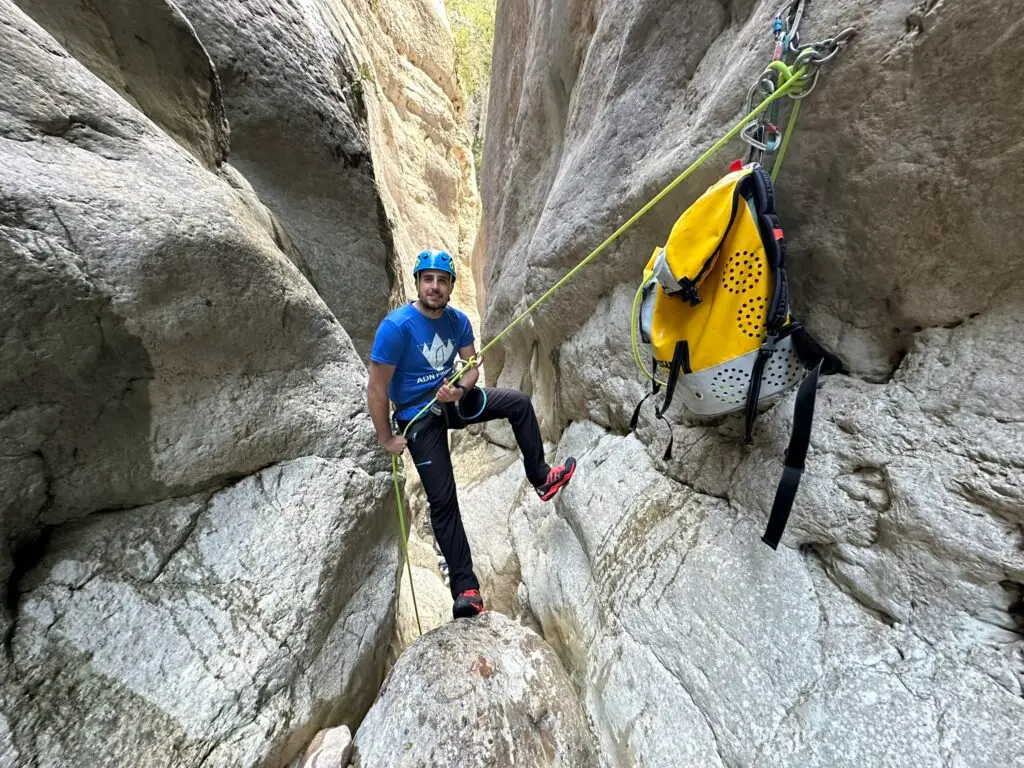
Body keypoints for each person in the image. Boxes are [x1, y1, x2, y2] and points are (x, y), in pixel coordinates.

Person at [367, 249, 577, 619]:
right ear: (418, 283)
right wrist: (387, 438)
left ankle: (542, 478)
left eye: (442, 280)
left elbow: (471, 368)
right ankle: (466, 590)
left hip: (452, 398)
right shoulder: (396, 328)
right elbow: (377, 387)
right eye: (428, 279)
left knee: (518, 403)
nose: (435, 287)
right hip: (418, 417)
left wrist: (460, 390)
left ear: (451, 287)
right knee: (443, 500)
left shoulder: (458, 321)